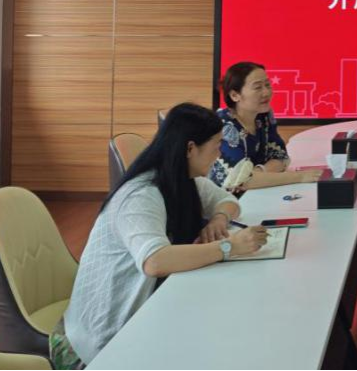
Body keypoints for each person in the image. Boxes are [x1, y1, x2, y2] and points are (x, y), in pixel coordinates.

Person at [52, 103, 269, 368]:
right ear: (190, 148)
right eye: (216, 145)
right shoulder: (140, 195)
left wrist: (219, 219)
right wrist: (228, 247)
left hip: (143, 317)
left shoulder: (184, 179)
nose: (219, 153)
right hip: (100, 344)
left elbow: (227, 201)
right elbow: (155, 261)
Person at [211, 61, 322, 190]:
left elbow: (280, 156)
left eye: (268, 85)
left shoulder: (263, 115)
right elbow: (240, 182)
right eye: (258, 87)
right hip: (224, 199)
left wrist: (259, 173)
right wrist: (300, 177)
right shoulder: (224, 126)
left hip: (256, 193)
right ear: (235, 95)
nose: (266, 92)